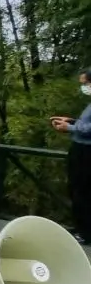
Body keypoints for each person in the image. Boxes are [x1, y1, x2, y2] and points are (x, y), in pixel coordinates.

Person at [50, 68, 91, 245]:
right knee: (76, 189)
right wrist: (71, 121)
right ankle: (81, 227)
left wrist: (70, 128)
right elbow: (86, 123)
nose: (84, 87)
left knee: (83, 191)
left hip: (87, 152)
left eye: (86, 83)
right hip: (80, 149)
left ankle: (86, 233)